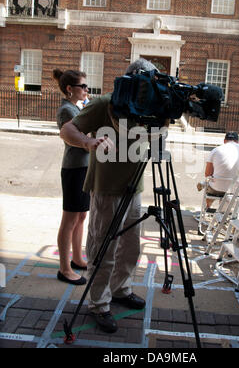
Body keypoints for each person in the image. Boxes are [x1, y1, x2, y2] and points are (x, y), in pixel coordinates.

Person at [60, 58, 158, 334]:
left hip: (134, 187)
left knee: (130, 246)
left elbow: (155, 140)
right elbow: (68, 129)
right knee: (104, 247)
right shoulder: (105, 103)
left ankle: (121, 289)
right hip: (106, 187)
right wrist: (88, 142)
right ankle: (99, 304)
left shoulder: (149, 106)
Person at [54, 68, 90, 286]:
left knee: (81, 216)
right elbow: (83, 137)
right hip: (74, 169)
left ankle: (77, 258)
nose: (86, 90)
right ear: (70, 89)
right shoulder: (67, 110)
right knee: (69, 219)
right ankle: (64, 269)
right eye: (82, 86)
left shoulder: (76, 107)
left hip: (83, 167)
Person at [197, 132, 239, 208]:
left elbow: (208, 174)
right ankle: (223, 210)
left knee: (209, 183)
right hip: (237, 189)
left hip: (217, 187)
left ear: (224, 141)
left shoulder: (216, 150)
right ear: (238, 141)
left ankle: (207, 207)